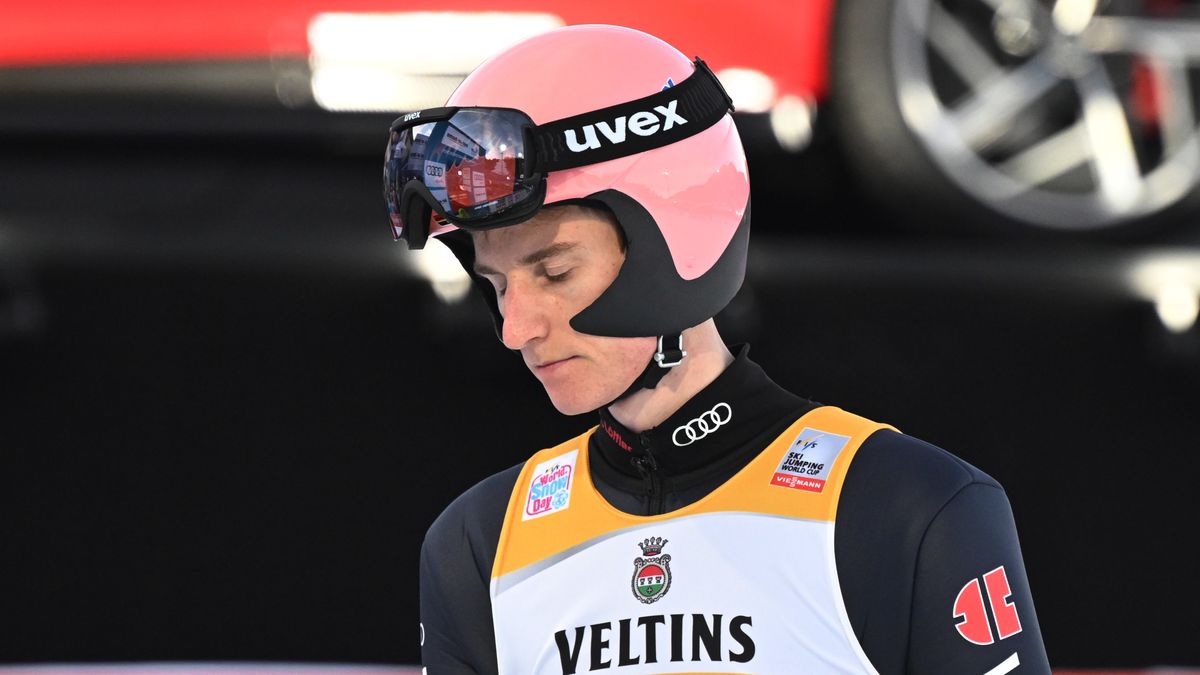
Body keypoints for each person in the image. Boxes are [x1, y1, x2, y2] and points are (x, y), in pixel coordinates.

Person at [385, 24, 1051, 675]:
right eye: (497, 285)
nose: (515, 328)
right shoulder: (478, 544)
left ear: (679, 239)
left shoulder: (909, 507)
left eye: (555, 271)